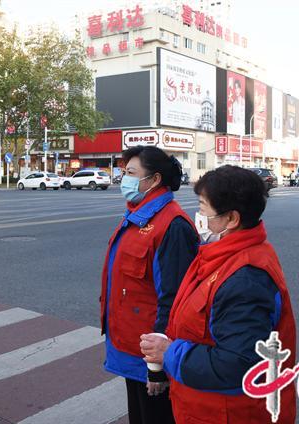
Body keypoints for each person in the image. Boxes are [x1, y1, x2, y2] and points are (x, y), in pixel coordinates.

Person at [140, 165, 297, 423]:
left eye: (203, 209)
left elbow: (236, 363)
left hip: (231, 413)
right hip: (205, 406)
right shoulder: (218, 253)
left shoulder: (246, 278)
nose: (199, 217)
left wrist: (169, 353)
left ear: (232, 219)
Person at [100, 146, 200, 424]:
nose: (124, 179)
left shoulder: (172, 224)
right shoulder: (139, 214)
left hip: (150, 355)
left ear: (154, 180)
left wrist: (158, 366)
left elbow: (176, 300)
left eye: (131, 173)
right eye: (123, 172)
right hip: (131, 347)